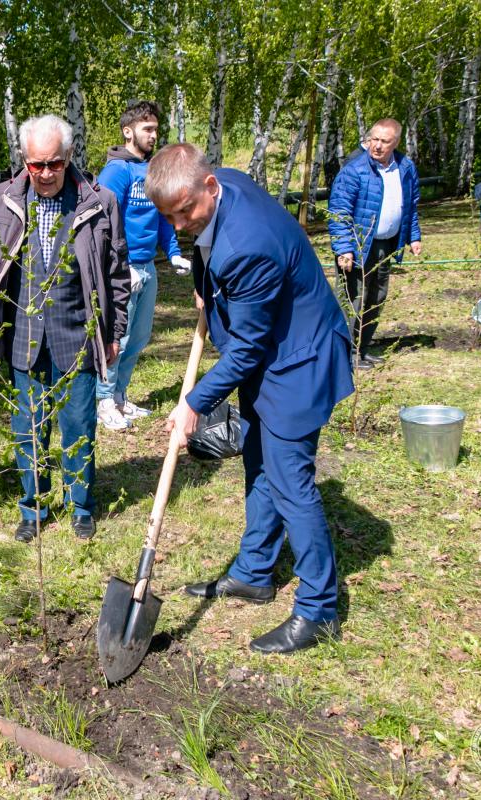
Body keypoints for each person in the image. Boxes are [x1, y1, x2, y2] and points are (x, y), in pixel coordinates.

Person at [149, 143, 353, 654]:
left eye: (185, 211)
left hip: (298, 360)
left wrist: (193, 403)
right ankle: (256, 573)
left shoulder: (249, 246)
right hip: (273, 352)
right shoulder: (221, 189)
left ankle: (319, 609)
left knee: (290, 481)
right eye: (168, 215)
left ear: (209, 186)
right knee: (259, 463)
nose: (178, 224)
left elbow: (246, 351)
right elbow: (205, 252)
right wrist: (203, 285)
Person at [0, 114, 128, 542]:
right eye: (36, 164)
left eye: (54, 164)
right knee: (28, 426)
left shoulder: (100, 202)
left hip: (76, 334)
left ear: (69, 157)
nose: (44, 173)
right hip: (23, 334)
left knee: (79, 424)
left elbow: (117, 273)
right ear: (24, 161)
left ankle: (81, 506)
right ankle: (33, 509)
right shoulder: (1, 199)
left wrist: (113, 332)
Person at [94, 100, 191, 431]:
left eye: (155, 129)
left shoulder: (150, 171)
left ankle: (119, 396)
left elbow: (163, 216)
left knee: (139, 336)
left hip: (147, 266)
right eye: (147, 129)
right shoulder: (117, 172)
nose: (153, 135)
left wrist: (173, 251)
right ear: (127, 131)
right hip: (123, 271)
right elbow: (103, 225)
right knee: (115, 337)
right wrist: (120, 267)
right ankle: (103, 401)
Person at [328, 118, 422, 369]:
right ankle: (344, 353)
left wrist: (414, 236)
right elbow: (339, 212)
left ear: (396, 143)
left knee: (377, 296)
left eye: (384, 141)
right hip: (357, 246)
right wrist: (343, 248)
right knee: (353, 298)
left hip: (386, 243)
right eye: (374, 139)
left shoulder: (405, 167)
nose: (377, 146)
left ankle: (362, 348)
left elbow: (411, 205)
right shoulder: (354, 170)